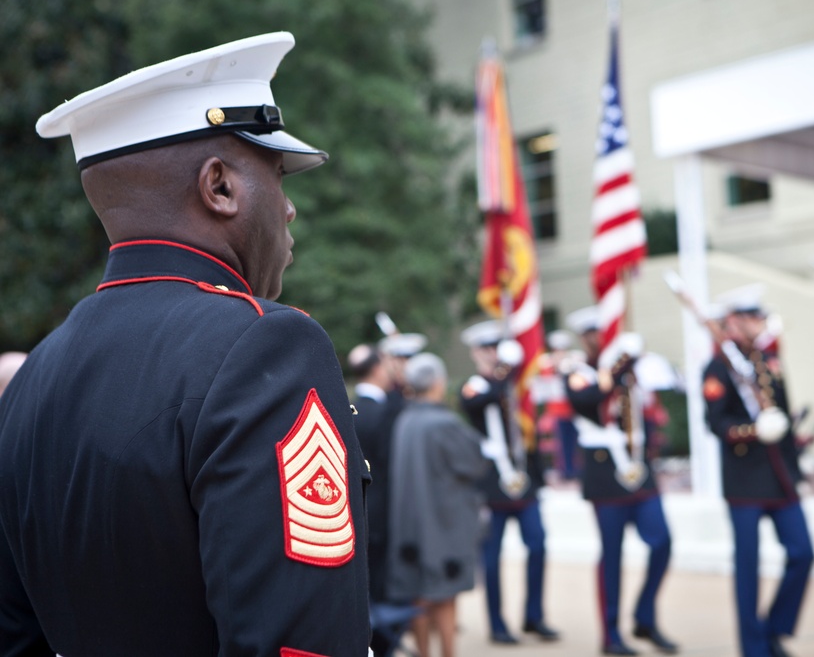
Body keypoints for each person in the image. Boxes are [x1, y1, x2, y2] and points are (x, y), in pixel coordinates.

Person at [0, 33, 372, 656]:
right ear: (219, 187)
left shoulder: (36, 375)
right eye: (278, 177)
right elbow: (301, 644)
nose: (289, 210)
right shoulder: (265, 347)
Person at [703, 286, 814, 657]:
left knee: (803, 553)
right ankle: (754, 648)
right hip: (745, 480)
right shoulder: (719, 367)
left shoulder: (766, 363)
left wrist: (796, 457)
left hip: (780, 477)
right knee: (748, 567)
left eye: (760, 316)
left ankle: (773, 630)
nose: (760, 323)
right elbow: (716, 424)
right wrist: (754, 431)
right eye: (752, 317)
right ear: (733, 321)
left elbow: (783, 414)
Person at [563, 306, 679, 656]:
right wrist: (618, 366)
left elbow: (663, 389)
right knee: (611, 556)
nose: (606, 338)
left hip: (639, 471)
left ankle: (646, 616)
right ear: (586, 338)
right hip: (605, 476)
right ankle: (610, 633)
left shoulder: (629, 368)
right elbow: (587, 399)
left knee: (661, 542)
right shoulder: (578, 371)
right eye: (599, 333)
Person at [458, 320, 560, 645]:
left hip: (523, 479)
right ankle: (497, 624)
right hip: (491, 482)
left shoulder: (514, 384)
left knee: (539, 544)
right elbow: (476, 403)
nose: (492, 354)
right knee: (492, 557)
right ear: (476, 352)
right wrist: (505, 369)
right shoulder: (475, 384)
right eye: (486, 349)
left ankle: (534, 616)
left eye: (495, 347)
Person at [386, 353, 488, 657]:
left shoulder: (405, 419)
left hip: (410, 520)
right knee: (444, 594)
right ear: (437, 383)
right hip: (441, 521)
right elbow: (474, 463)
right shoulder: (443, 423)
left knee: (417, 596)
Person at [348, 343, 405, 656]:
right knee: (381, 589)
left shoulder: (350, 406)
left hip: (360, 508)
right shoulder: (387, 409)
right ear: (379, 370)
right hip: (384, 511)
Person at [531, 330, 581, 481]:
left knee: (577, 441)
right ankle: (566, 470)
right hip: (557, 411)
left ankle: (578, 469)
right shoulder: (547, 362)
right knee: (562, 442)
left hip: (575, 409)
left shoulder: (575, 359)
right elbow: (544, 383)